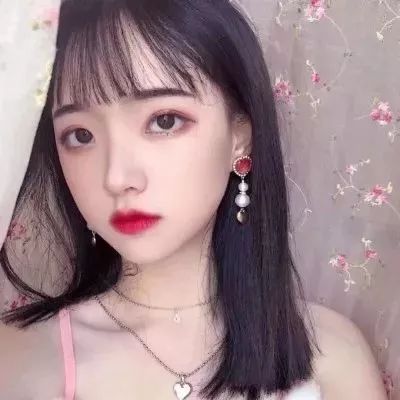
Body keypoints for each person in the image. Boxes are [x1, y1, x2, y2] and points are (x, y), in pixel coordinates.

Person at [0, 1, 387, 399]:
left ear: (240, 136)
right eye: (80, 136)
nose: (116, 177)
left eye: (164, 121)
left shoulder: (329, 354)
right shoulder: (20, 358)